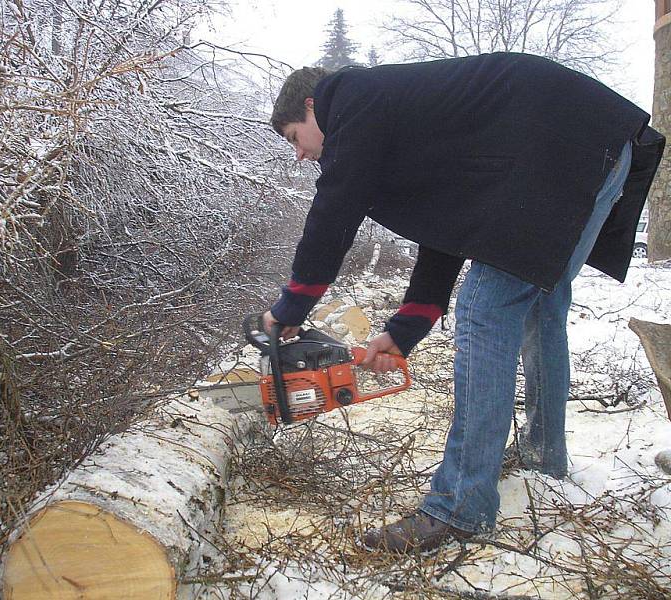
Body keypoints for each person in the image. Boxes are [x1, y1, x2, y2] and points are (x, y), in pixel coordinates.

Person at [261, 53, 664, 554]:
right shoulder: (407, 118)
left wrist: (289, 310)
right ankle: (543, 455)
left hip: (562, 150)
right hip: (590, 145)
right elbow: (450, 227)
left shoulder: (350, 98)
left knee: (484, 308)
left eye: (295, 138)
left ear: (310, 105)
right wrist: (404, 330)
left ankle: (460, 507)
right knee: (540, 303)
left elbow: (334, 209)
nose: (300, 155)